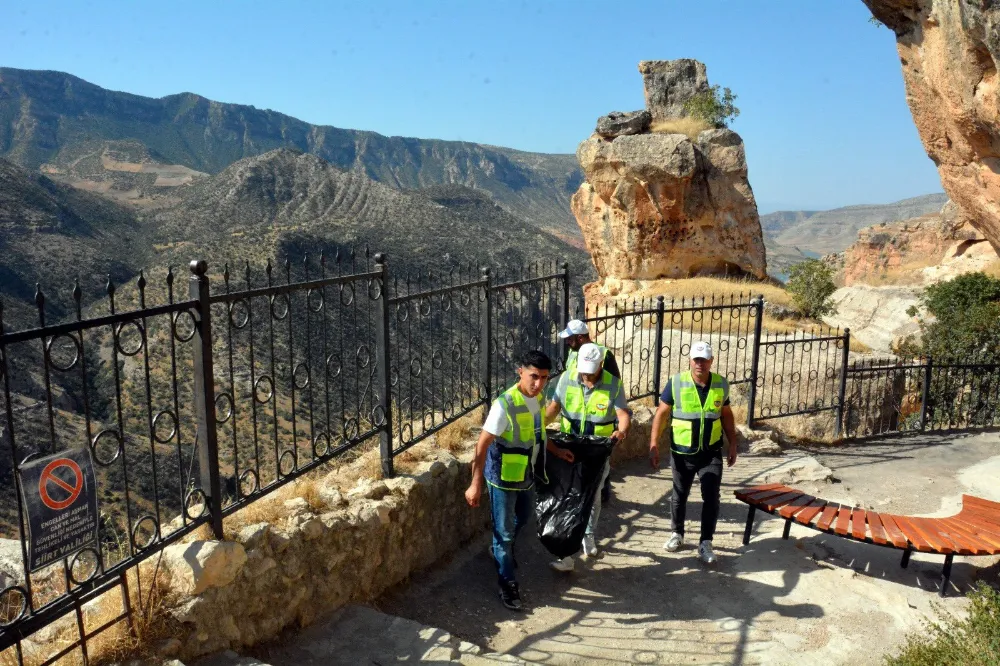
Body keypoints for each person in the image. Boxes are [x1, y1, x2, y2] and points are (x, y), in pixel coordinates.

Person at [464, 350, 574, 611]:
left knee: (523, 518)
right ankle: (507, 584)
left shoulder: (539, 398)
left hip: (526, 475)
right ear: (520, 372)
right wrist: (475, 483)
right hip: (502, 478)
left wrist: (556, 451)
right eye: (534, 376)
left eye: (544, 378)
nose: (538, 383)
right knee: (504, 534)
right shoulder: (505, 405)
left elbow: (538, 433)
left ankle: (499, 550)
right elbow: (482, 445)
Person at [648, 341, 739, 565]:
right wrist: (653, 444)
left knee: (711, 497)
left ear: (711, 361)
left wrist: (733, 443)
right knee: (679, 495)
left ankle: (706, 542)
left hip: (711, 452)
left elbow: (726, 414)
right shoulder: (676, 382)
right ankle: (677, 534)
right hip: (682, 452)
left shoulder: (720, 384)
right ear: (690, 360)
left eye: (704, 360)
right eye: (696, 359)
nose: (700, 364)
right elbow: (661, 414)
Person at [544, 343, 631, 571]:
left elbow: (623, 414)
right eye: (584, 370)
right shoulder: (567, 378)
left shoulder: (613, 384)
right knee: (569, 497)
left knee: (593, 496)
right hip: (569, 448)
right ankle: (566, 554)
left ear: (601, 364)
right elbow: (554, 408)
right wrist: (537, 423)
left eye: (591, 370)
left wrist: (621, 431)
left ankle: (588, 535)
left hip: (597, 452)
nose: (586, 375)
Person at [558, 319, 621, 504]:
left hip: (598, 418)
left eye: (570, 339)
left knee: (599, 465)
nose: (567, 343)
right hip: (576, 418)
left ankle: (601, 495)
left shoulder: (604, 355)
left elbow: (614, 385)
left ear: (580, 338)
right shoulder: (574, 353)